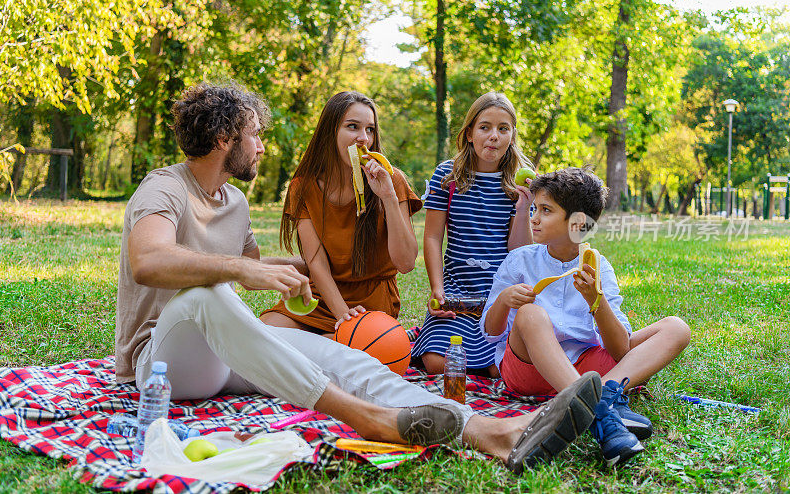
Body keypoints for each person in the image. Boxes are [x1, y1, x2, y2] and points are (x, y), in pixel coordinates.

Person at [115, 82, 602, 473]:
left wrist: (291, 271)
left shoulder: (234, 202)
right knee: (210, 297)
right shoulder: (165, 186)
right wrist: (244, 269)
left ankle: (489, 431)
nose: (261, 147)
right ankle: (368, 419)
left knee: (346, 360)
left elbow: (260, 269)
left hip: (222, 357)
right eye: (254, 135)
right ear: (225, 139)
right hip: (162, 362)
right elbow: (150, 261)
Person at [479, 167, 692, 466]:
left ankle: (602, 396)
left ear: (578, 225)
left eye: (546, 210)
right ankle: (601, 411)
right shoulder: (520, 260)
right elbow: (490, 331)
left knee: (676, 328)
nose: (534, 218)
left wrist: (597, 300)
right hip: (528, 372)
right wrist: (503, 301)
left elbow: (620, 348)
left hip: (587, 368)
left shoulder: (598, 267)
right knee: (529, 313)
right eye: (533, 208)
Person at [259, 91, 419, 334]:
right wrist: (342, 315)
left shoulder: (392, 180)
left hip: (372, 300)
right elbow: (316, 262)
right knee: (266, 332)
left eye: (370, 130)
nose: (363, 138)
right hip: (323, 295)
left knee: (342, 350)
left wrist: (387, 197)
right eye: (353, 127)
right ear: (330, 131)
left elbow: (406, 263)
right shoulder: (303, 187)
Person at [411, 92, 534, 377]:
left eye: (503, 129)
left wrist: (524, 205)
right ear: (469, 134)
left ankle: (489, 361)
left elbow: (519, 252)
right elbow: (432, 238)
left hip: (500, 294)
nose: (494, 136)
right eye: (485, 127)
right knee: (436, 363)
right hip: (457, 293)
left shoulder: (519, 181)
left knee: (499, 367)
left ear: (512, 136)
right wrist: (437, 289)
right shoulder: (448, 176)